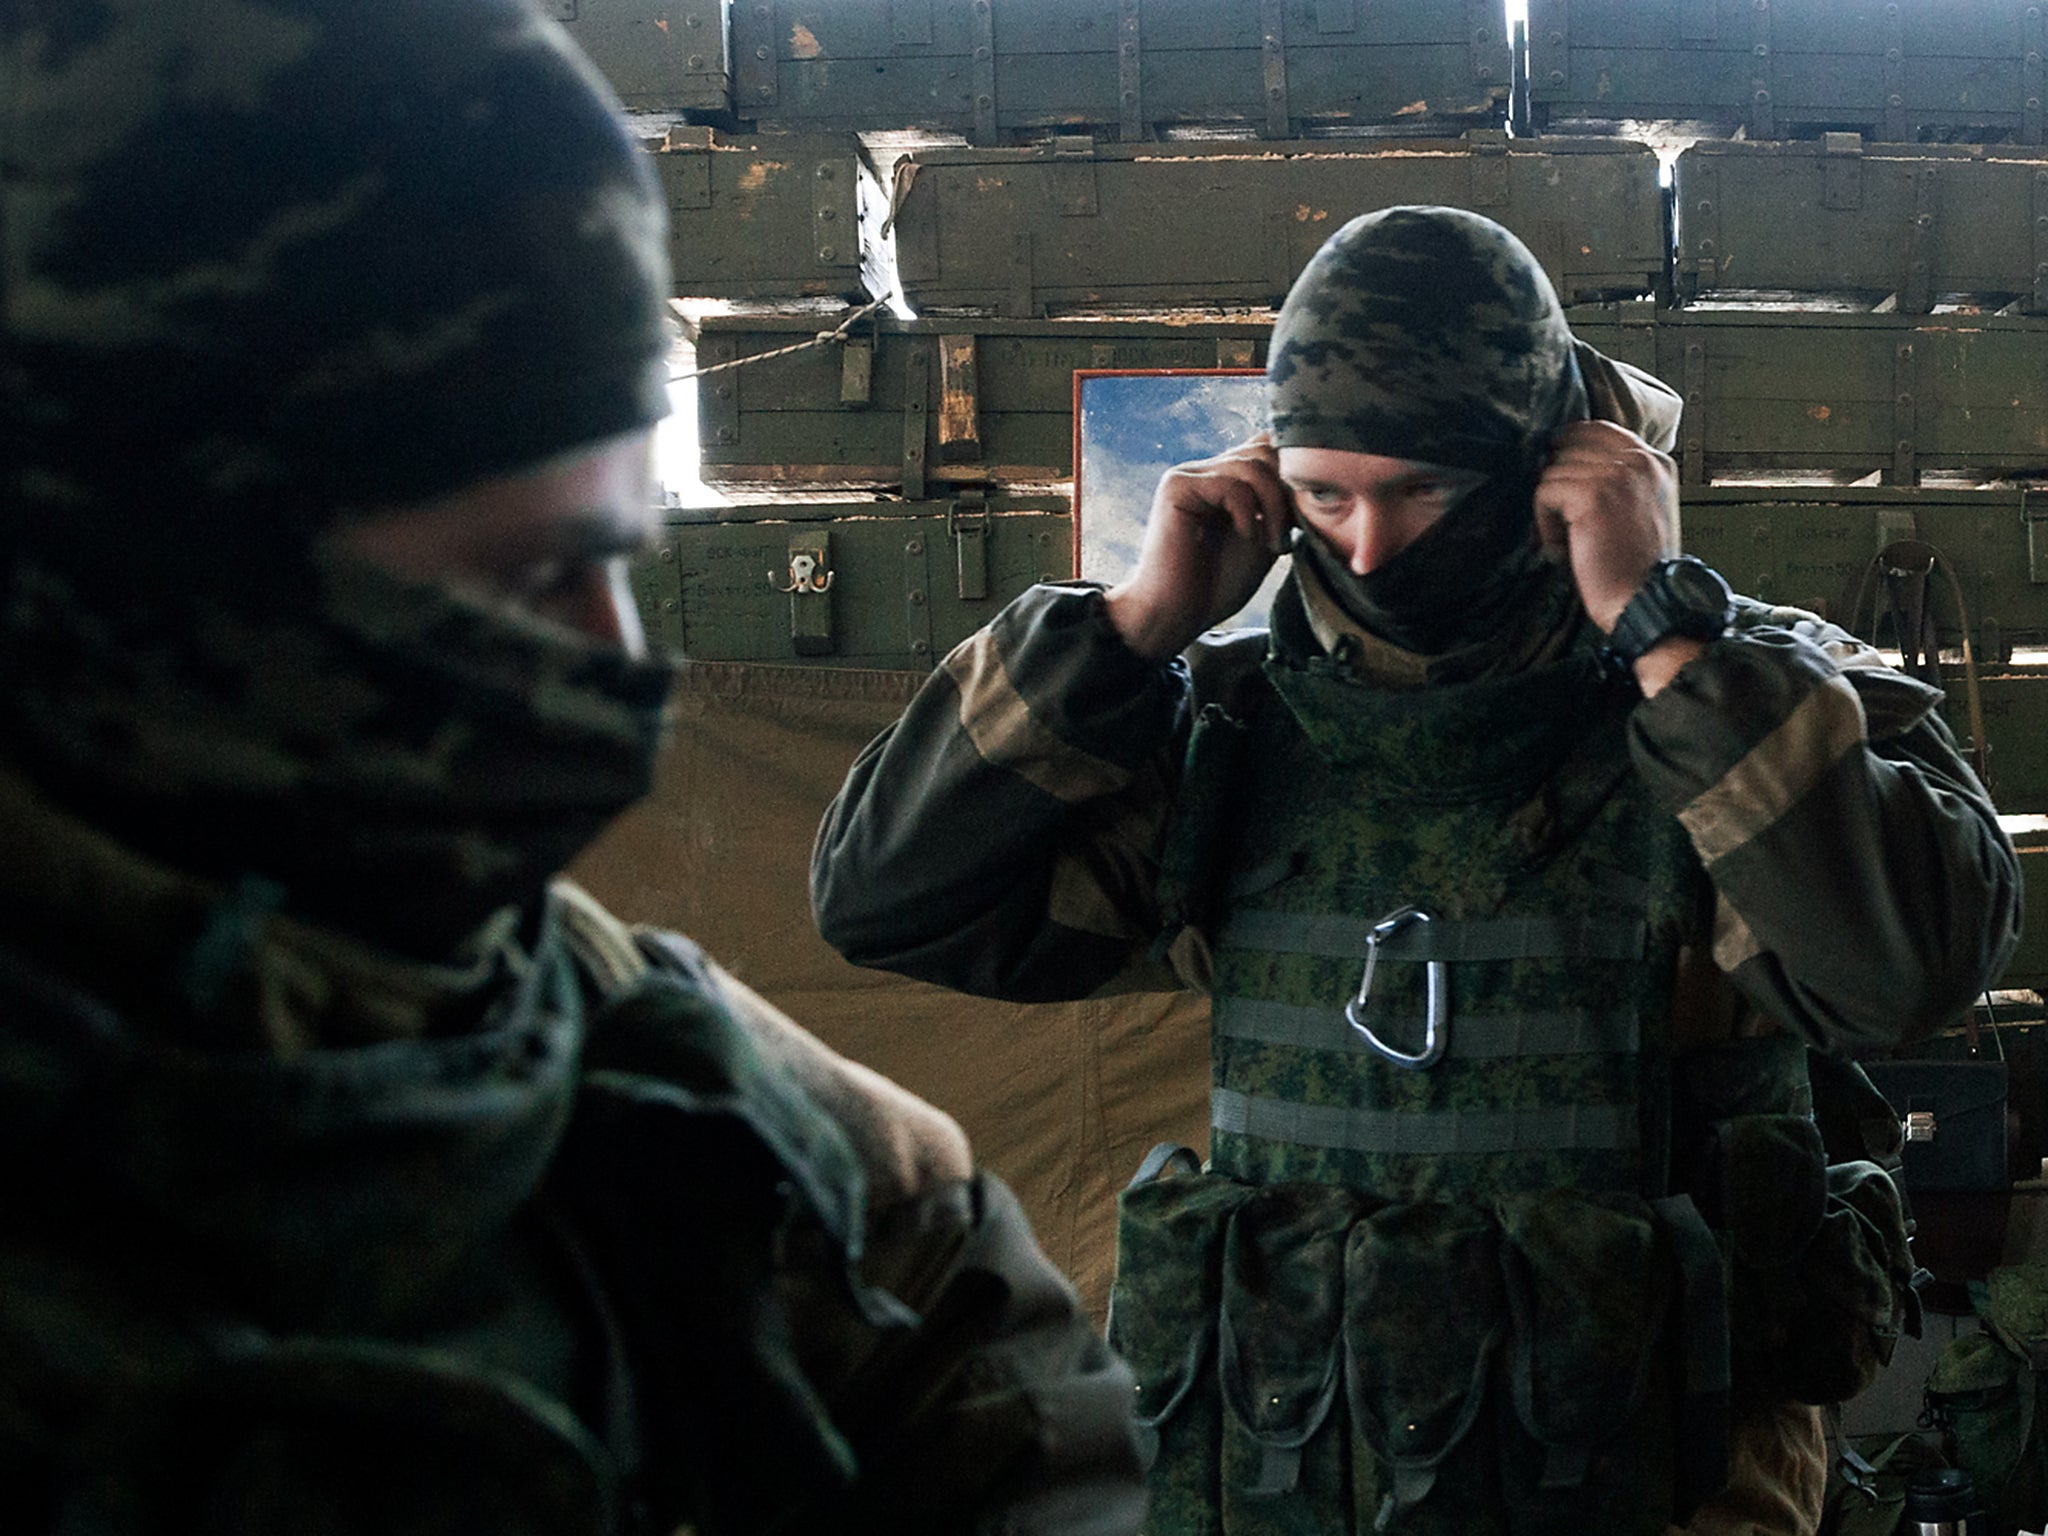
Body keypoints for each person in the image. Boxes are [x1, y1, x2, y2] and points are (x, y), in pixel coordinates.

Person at [0, 3, 1145, 1532]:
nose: (610, 657)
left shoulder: (563, 1013)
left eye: (613, 557)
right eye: (525, 579)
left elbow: (971, 1338)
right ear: (167, 580)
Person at [812, 207, 2023, 1534]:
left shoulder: (1753, 698)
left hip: (1675, 1478)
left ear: (1545, 467)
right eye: (1327, 496)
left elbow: (1905, 972)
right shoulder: (1238, 725)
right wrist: (1125, 630)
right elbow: (886, 898)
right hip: (1300, 1470)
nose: (1372, 549)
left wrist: (1667, 636)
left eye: (1422, 492)